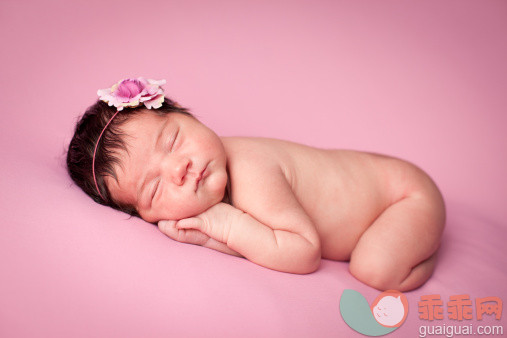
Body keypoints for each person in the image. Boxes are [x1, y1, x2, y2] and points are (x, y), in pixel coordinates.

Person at [67, 77, 446, 291]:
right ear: (144, 214)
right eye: (154, 189)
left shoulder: (250, 169)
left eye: (173, 140)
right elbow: (262, 241)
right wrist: (206, 237)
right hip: (379, 184)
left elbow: (302, 252)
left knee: (374, 270)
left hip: (402, 196)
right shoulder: (214, 180)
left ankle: (429, 252)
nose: (179, 168)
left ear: (190, 116)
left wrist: (222, 226)